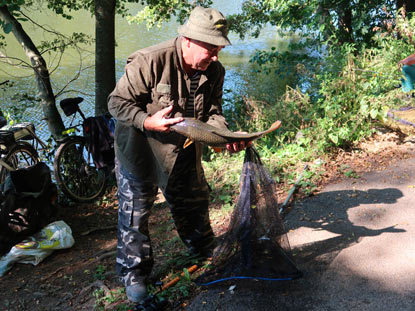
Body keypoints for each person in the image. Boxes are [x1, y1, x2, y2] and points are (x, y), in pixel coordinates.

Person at [108, 6, 248, 303]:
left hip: (183, 149)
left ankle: (202, 248)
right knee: (135, 214)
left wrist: (224, 138)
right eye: (211, 48)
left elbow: (213, 113)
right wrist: (147, 121)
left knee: (194, 200)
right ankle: (134, 274)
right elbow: (116, 102)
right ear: (188, 40)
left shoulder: (215, 70)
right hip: (140, 149)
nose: (216, 55)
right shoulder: (149, 60)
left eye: (219, 48)